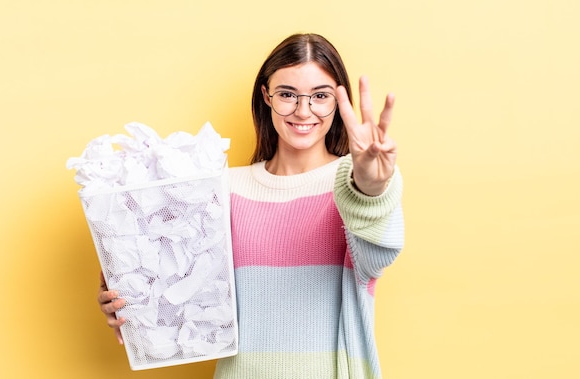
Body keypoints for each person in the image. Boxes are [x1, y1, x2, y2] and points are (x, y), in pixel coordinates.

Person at [97, 33, 404, 379]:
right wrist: (130, 296)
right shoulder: (222, 189)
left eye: (320, 96)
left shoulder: (355, 184)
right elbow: (178, 293)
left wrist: (371, 188)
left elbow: (377, 254)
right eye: (288, 94)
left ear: (338, 102)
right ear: (266, 97)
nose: (303, 111)